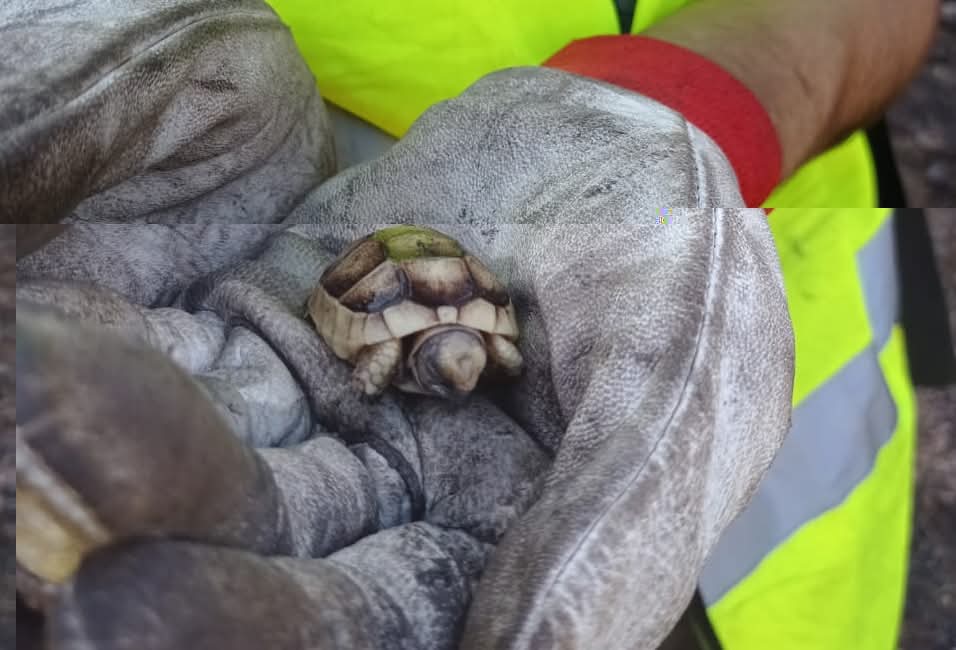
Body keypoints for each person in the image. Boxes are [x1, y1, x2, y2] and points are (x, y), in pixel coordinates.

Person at [6, 0, 955, 649]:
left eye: (471, 361)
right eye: (459, 362)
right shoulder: (414, 341)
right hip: (154, 264)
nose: (463, 377)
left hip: (783, 543)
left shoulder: (489, 347)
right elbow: (373, 333)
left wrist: (674, 109)